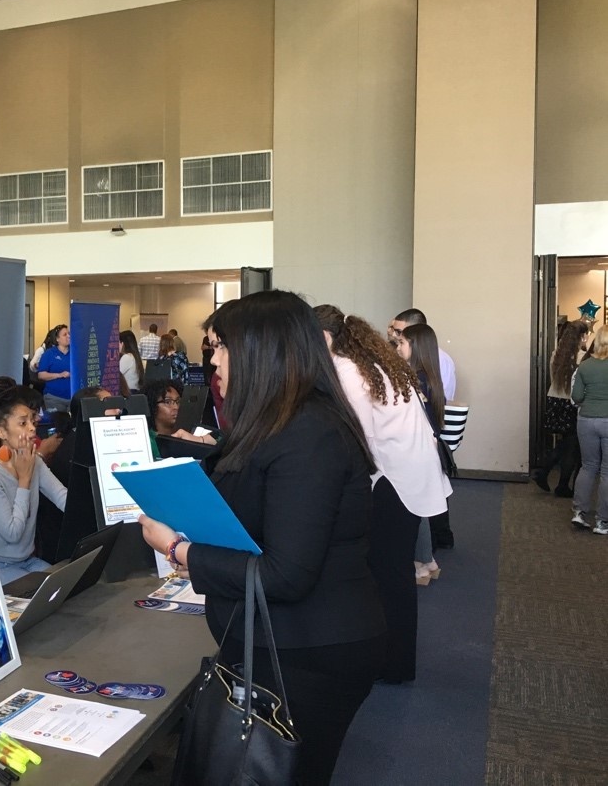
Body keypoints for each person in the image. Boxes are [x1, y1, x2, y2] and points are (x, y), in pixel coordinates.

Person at [138, 291, 385, 786]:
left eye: (220, 348)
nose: (213, 361)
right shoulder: (283, 423)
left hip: (310, 652)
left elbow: (286, 574)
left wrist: (178, 549)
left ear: (259, 350)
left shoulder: (309, 434)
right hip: (284, 645)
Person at [315, 304, 449, 685]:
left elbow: (356, 439)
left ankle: (395, 664)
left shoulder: (347, 371)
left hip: (394, 480)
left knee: (389, 576)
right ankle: (394, 661)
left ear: (324, 339)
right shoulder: (369, 364)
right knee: (390, 574)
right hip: (405, 474)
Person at [0, 381, 67, 584]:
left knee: (68, 585)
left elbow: (62, 497)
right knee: (50, 591)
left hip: (24, 561)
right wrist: (24, 479)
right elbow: (12, 533)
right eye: (23, 423)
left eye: (31, 421)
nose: (32, 428)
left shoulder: (33, 460)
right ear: (1, 432)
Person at [395, 323, 446, 584]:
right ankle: (428, 561)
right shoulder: (431, 375)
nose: (397, 347)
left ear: (416, 347)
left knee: (414, 506)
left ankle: (419, 564)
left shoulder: (413, 378)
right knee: (421, 507)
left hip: (417, 449)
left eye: (402, 343)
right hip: (429, 447)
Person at [532, 320, 588, 498]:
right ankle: (560, 484)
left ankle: (546, 473)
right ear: (582, 336)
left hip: (555, 400)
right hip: (571, 403)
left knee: (567, 443)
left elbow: (552, 377)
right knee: (571, 446)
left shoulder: (556, 354)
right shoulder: (582, 358)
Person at [570, 327, 608, 534]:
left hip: (585, 420)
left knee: (588, 467)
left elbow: (576, 397)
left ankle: (579, 513)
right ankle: (603, 522)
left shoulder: (584, 367)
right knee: (607, 471)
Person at [388, 308, 456, 400]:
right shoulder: (402, 355)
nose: (394, 335)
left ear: (416, 331)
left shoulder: (441, 359)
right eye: (393, 330)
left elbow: (441, 400)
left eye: (399, 332)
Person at [36, 323, 72, 412]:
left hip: (73, 397)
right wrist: (60, 375)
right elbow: (41, 375)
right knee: (58, 423)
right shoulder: (49, 354)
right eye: (65, 334)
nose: (68, 336)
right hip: (54, 397)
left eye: (69, 334)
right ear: (57, 339)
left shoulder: (75, 353)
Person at [118, 329, 144, 396]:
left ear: (122, 343)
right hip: (134, 392)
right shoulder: (135, 356)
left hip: (128, 393)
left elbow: (116, 374)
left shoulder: (127, 357)